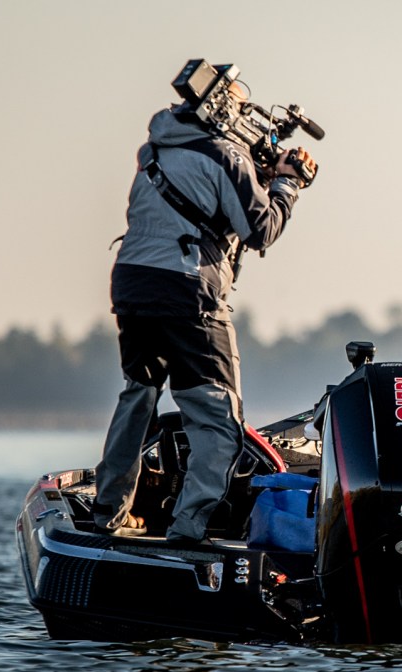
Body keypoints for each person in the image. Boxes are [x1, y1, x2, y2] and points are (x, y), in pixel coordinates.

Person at [93, 75, 317, 544]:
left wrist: (260, 174)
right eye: (242, 107)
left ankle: (108, 511)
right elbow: (259, 230)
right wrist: (288, 184)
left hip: (133, 284)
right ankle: (188, 527)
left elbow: (203, 202)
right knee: (217, 419)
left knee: (139, 397)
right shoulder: (227, 156)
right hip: (188, 292)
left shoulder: (155, 148)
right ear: (223, 110)